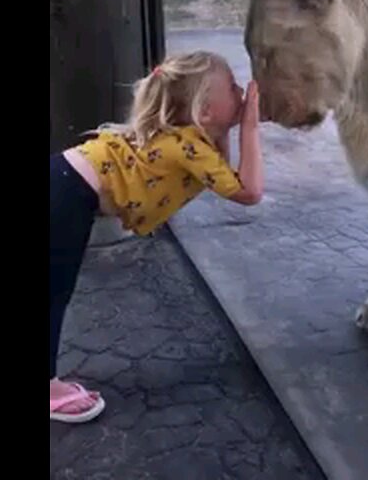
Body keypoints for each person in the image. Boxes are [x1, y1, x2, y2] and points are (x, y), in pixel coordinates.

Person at [49, 50, 263, 423]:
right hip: (67, 194)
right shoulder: (187, 146)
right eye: (232, 86)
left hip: (66, 184)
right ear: (206, 111)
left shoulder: (188, 141)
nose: (241, 91)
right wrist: (251, 127)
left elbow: (227, 176)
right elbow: (250, 192)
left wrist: (229, 127)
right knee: (53, 292)